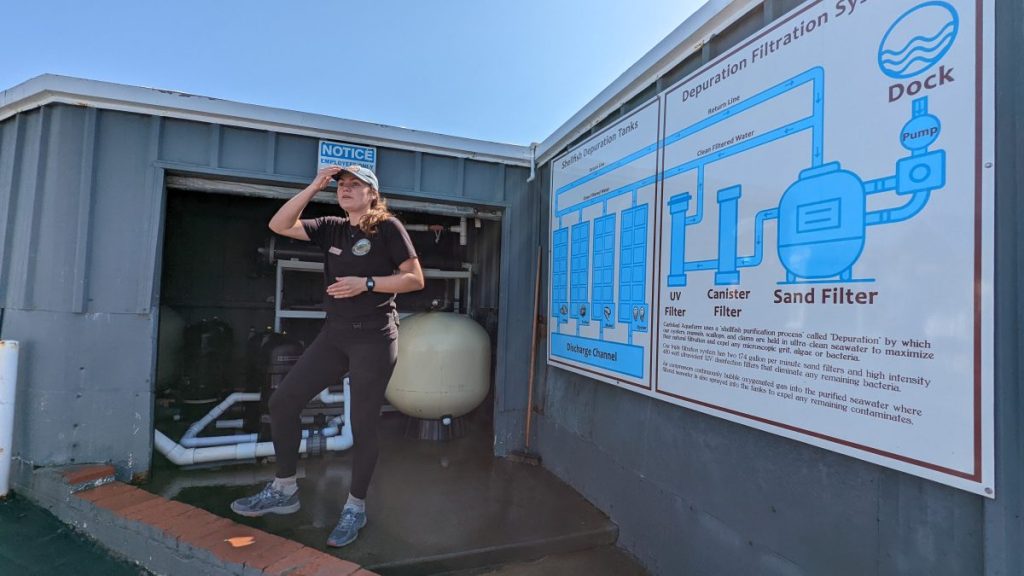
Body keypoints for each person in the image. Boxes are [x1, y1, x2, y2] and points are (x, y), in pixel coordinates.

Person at [230, 164, 424, 548]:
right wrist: (314, 185)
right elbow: (280, 225)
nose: (346, 190)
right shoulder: (331, 227)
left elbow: (414, 278)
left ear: (372, 193)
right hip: (334, 336)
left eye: (355, 185)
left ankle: (355, 506)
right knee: (283, 401)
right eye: (341, 186)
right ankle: (284, 489)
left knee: (363, 424)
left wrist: (366, 283)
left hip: (374, 337)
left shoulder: (387, 227)